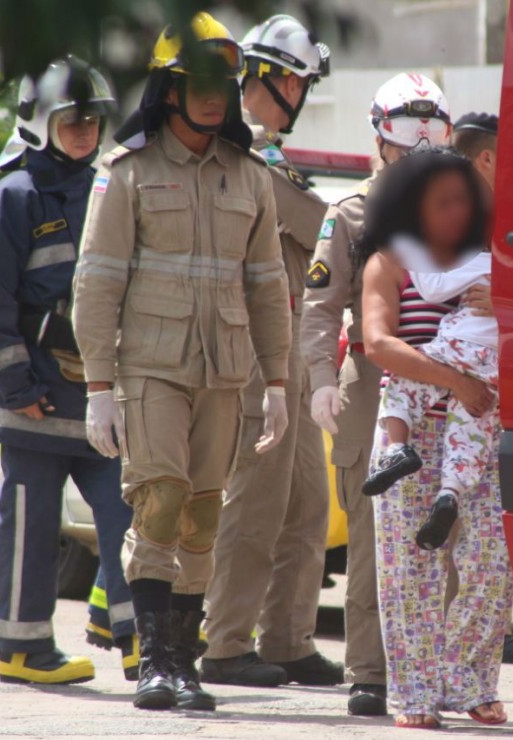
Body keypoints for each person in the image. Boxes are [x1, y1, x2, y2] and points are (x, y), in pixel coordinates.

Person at [72, 12, 291, 713]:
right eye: (198, 84)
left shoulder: (250, 177)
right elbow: (96, 283)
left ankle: (184, 662)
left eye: (223, 85)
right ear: (168, 91)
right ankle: (155, 663)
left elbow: (268, 287)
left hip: (223, 374)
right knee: (160, 501)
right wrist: (98, 386)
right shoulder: (127, 172)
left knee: (203, 514)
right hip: (150, 369)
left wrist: (278, 381)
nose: (213, 98)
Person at [0, 57, 135, 685]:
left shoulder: (108, 190)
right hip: (35, 397)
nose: (86, 131)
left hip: (100, 395)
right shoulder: (13, 197)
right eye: (72, 120)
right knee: (31, 528)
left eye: (92, 121)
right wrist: (17, 387)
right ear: (40, 124)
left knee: (131, 514)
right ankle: (23, 649)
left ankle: (141, 640)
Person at [301, 71, 453, 717]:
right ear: (381, 141)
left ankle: (429, 670)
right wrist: (319, 380)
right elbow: (318, 306)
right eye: (404, 140)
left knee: (444, 528)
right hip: (370, 378)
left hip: (448, 382)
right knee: (371, 533)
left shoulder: (462, 210)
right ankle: (370, 671)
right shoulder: (351, 213)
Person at [201, 14, 343, 689]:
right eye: (300, 82)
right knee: (257, 500)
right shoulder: (245, 150)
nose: (300, 94)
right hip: (258, 350)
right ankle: (226, 642)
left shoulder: (268, 153)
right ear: (284, 82)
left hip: (291, 343)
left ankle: (287, 638)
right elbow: (319, 228)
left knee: (308, 504)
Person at [361, 148, 513, 729]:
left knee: (493, 562)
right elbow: (378, 343)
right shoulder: (391, 259)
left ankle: (470, 682)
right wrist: (455, 382)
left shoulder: (501, 257)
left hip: (485, 420)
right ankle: (417, 696)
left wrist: (511, 304)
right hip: (416, 425)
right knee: (409, 569)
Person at [447, 111, 513, 667]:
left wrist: (509, 297)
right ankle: (458, 654)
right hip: (448, 391)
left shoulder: (507, 218)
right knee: (452, 526)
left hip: (499, 389)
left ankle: (484, 641)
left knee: (487, 532)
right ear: (487, 158)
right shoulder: (450, 217)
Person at [362, 238, 495, 556]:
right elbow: (377, 344)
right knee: (470, 436)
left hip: (462, 363)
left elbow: (434, 289)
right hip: (487, 383)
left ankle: (398, 449)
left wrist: (413, 258)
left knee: (400, 389)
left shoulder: (479, 261)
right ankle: (449, 494)